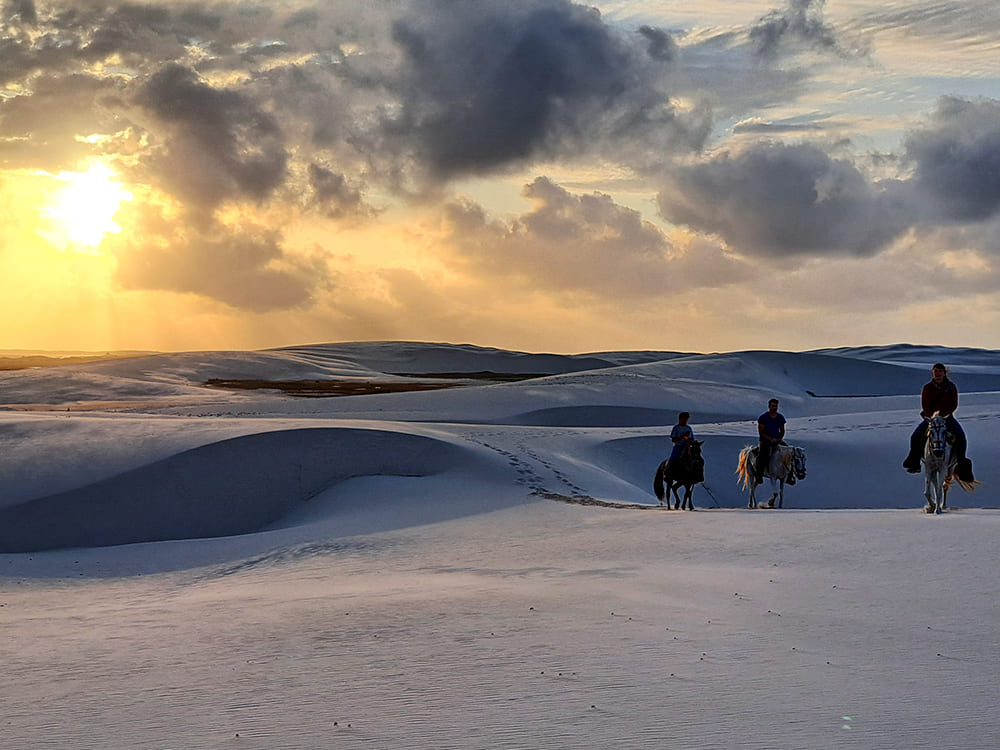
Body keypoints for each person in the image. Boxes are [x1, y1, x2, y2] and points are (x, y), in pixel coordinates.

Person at [902, 363, 973, 481]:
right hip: (931, 418)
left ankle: (962, 467)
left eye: (940, 371)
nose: (938, 373)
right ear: (932, 373)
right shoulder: (927, 388)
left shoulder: (951, 387)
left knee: (961, 436)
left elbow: (953, 404)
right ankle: (914, 463)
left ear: (944, 373)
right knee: (915, 436)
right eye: (935, 371)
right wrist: (933, 416)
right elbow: (925, 405)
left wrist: (943, 415)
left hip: (947, 418)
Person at [755, 398, 786, 485]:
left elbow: (782, 430)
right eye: (773, 406)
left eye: (776, 406)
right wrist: (770, 439)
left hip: (777, 440)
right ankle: (759, 475)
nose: (774, 408)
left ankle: (789, 474)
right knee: (763, 456)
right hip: (765, 440)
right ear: (769, 406)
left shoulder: (780, 417)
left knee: (789, 451)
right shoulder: (763, 418)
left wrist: (779, 438)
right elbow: (761, 432)